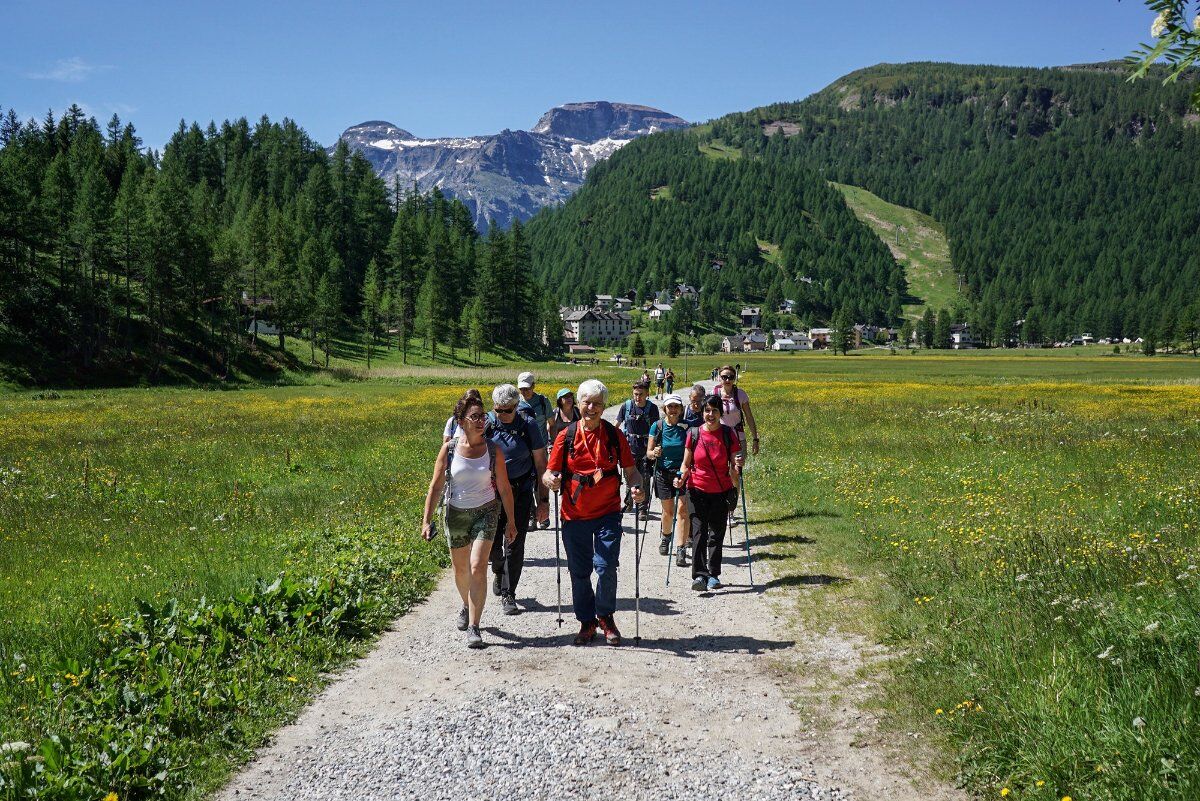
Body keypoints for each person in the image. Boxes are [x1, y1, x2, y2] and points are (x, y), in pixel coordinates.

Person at [543, 379, 644, 646]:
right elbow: (548, 473)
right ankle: (586, 622)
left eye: (597, 404)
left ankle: (606, 616)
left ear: (603, 407)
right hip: (574, 515)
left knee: (607, 566)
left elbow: (632, 472)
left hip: (608, 512)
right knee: (579, 571)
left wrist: (637, 489)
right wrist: (550, 480)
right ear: (578, 404)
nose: (591, 408)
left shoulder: (614, 435)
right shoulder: (566, 436)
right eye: (587, 402)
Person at [422, 390, 518, 649]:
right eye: (474, 417)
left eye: (482, 417)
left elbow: (506, 488)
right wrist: (426, 520)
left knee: (477, 567)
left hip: (486, 511)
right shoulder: (450, 450)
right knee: (461, 570)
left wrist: (511, 521)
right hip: (456, 513)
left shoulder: (493, 450)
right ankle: (466, 603)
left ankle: (474, 626)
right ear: (461, 420)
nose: (480, 421)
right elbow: (436, 486)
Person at [487, 384, 548, 615]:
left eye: (507, 411)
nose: (502, 415)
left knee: (515, 542)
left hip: (520, 490)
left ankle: (508, 593)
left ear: (516, 407)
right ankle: (499, 569)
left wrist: (543, 501)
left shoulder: (528, 425)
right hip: (491, 493)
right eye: (498, 410)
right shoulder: (487, 424)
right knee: (492, 542)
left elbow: (541, 463)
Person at [676, 395, 742, 592]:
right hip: (696, 490)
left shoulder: (728, 434)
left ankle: (713, 574)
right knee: (699, 533)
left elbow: (734, 463)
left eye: (714, 411)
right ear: (702, 412)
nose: (710, 414)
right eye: (707, 411)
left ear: (721, 413)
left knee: (716, 535)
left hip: (721, 491)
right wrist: (680, 477)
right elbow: (686, 464)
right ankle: (699, 576)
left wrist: (738, 466)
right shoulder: (694, 434)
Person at [647, 394, 690, 567]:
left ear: (681, 409)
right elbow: (648, 453)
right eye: (670, 406)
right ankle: (666, 536)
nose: (673, 410)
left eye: (676, 407)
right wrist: (654, 453)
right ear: (664, 409)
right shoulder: (657, 426)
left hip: (682, 473)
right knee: (668, 512)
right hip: (663, 474)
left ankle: (681, 548)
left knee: (683, 510)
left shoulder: (686, 428)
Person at [616, 381, 659, 520]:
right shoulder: (626, 406)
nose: (637, 397)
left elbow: (656, 430)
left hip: (646, 450)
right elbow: (616, 426)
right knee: (629, 478)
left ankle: (642, 509)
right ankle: (628, 503)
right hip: (629, 450)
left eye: (641, 394)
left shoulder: (652, 409)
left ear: (647, 394)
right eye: (635, 394)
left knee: (645, 479)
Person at [517, 372, 554, 529]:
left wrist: (551, 443)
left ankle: (543, 515)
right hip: (524, 450)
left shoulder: (542, 402)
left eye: (527, 388)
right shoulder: (515, 403)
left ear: (533, 386)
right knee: (526, 482)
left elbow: (551, 423)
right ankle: (531, 516)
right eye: (521, 389)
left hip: (541, 448)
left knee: (541, 482)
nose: (524, 392)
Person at [715, 364, 760, 456]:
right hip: (719, 437)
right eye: (724, 377)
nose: (727, 380)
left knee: (738, 468)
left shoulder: (741, 394)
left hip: (738, 437)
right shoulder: (714, 394)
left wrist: (755, 439)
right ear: (719, 378)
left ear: (734, 378)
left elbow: (749, 417)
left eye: (731, 377)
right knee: (721, 469)